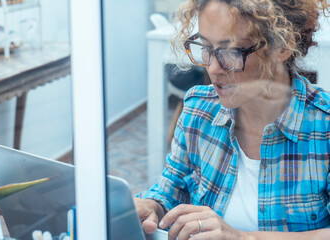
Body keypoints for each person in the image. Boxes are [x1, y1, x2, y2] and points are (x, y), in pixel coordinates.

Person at [135, 0, 330, 239]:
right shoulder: (199, 110)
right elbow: (170, 188)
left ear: (283, 47)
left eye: (232, 51)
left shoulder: (324, 127)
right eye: (206, 47)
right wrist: (151, 206)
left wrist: (242, 237)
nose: (214, 68)